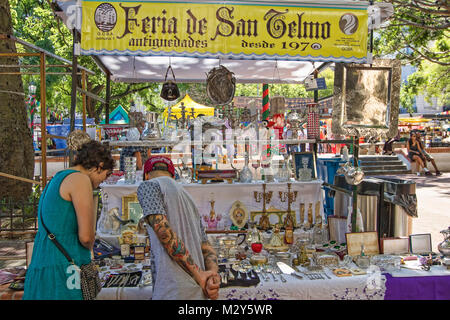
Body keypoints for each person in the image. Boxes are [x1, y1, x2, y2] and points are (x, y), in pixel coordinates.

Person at [23, 141, 114, 300]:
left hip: (43, 262)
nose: (103, 181)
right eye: (105, 175)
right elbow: (86, 237)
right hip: (64, 269)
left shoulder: (58, 178)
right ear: (99, 166)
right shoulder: (80, 180)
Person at [137, 156, 220, 300]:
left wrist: (200, 275)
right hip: (197, 290)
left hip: (174, 289)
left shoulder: (148, 186)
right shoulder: (187, 197)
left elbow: (164, 233)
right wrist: (212, 275)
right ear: (173, 176)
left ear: (146, 175)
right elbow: (205, 245)